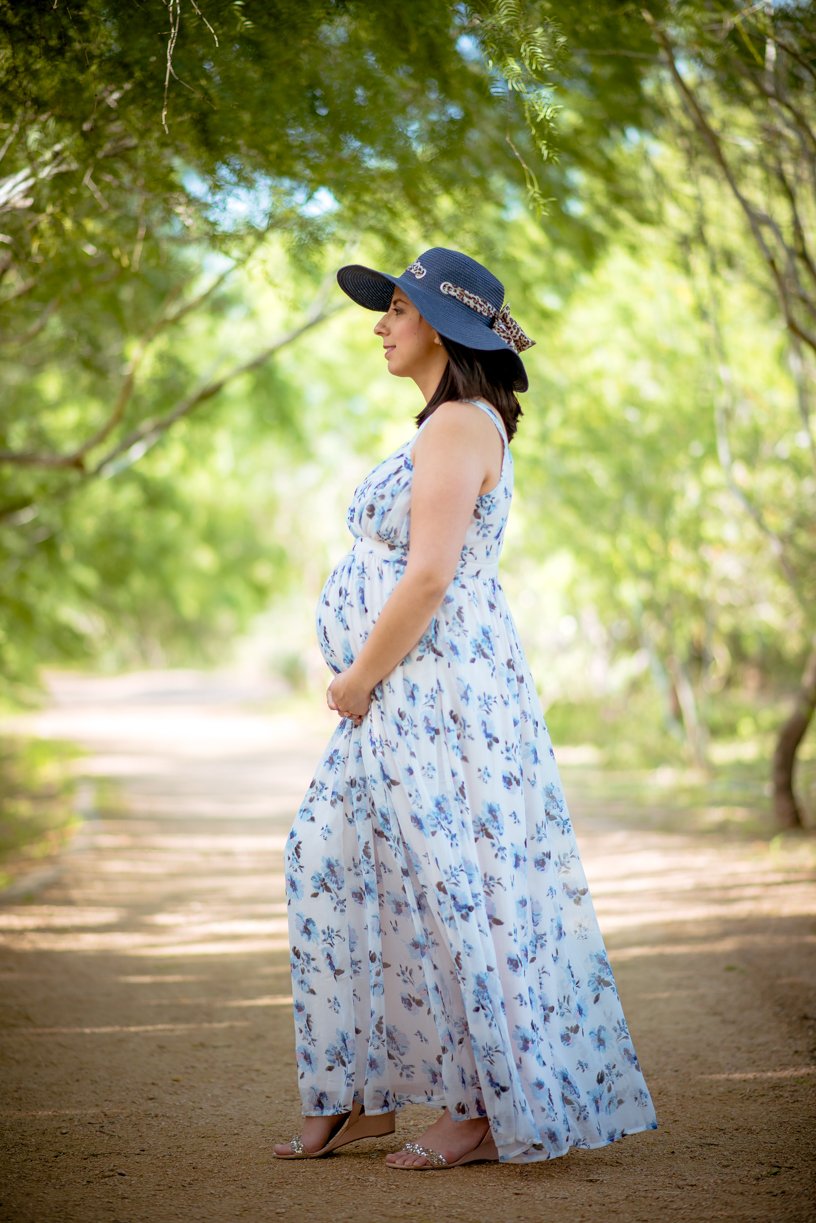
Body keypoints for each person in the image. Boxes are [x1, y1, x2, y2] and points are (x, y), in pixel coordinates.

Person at [274, 248, 657, 1169]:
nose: (381, 326)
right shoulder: (446, 424)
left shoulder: (454, 427)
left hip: (431, 692)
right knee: (334, 854)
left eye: (397, 310)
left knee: (449, 885)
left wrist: (359, 677)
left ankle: (480, 1105)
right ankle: (359, 1092)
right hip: (416, 691)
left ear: (442, 329)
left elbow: (430, 575)